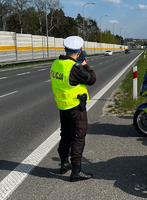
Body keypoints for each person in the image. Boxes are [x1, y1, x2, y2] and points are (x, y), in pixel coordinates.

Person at [50, 36, 96, 182]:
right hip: (76, 108)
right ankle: (76, 171)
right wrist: (85, 66)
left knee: (65, 135)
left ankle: (64, 164)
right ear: (79, 51)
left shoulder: (56, 63)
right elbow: (92, 79)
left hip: (62, 107)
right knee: (78, 138)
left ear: (65, 49)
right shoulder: (74, 69)